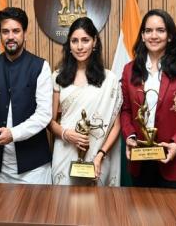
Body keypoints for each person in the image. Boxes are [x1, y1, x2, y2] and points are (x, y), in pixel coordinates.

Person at [120, 9, 176, 190]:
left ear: (169, 36)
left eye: (160, 30)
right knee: (141, 217)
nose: (154, 36)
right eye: (148, 31)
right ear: (143, 36)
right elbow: (126, 111)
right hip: (141, 161)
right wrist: (130, 136)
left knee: (175, 218)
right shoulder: (130, 69)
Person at [0, 7, 53, 184]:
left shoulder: (40, 66)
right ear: (0, 34)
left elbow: (44, 115)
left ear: (25, 33)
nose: (10, 36)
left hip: (34, 169)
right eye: (5, 31)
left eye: (16, 31)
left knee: (36, 212)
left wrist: (13, 133)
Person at [48, 17, 122, 186]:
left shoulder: (109, 79)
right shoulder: (58, 77)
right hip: (65, 150)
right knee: (64, 207)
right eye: (74, 41)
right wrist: (67, 134)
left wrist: (100, 155)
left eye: (85, 40)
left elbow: (116, 125)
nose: (80, 46)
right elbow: (50, 122)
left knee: (96, 208)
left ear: (94, 42)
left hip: (98, 155)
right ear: (69, 45)